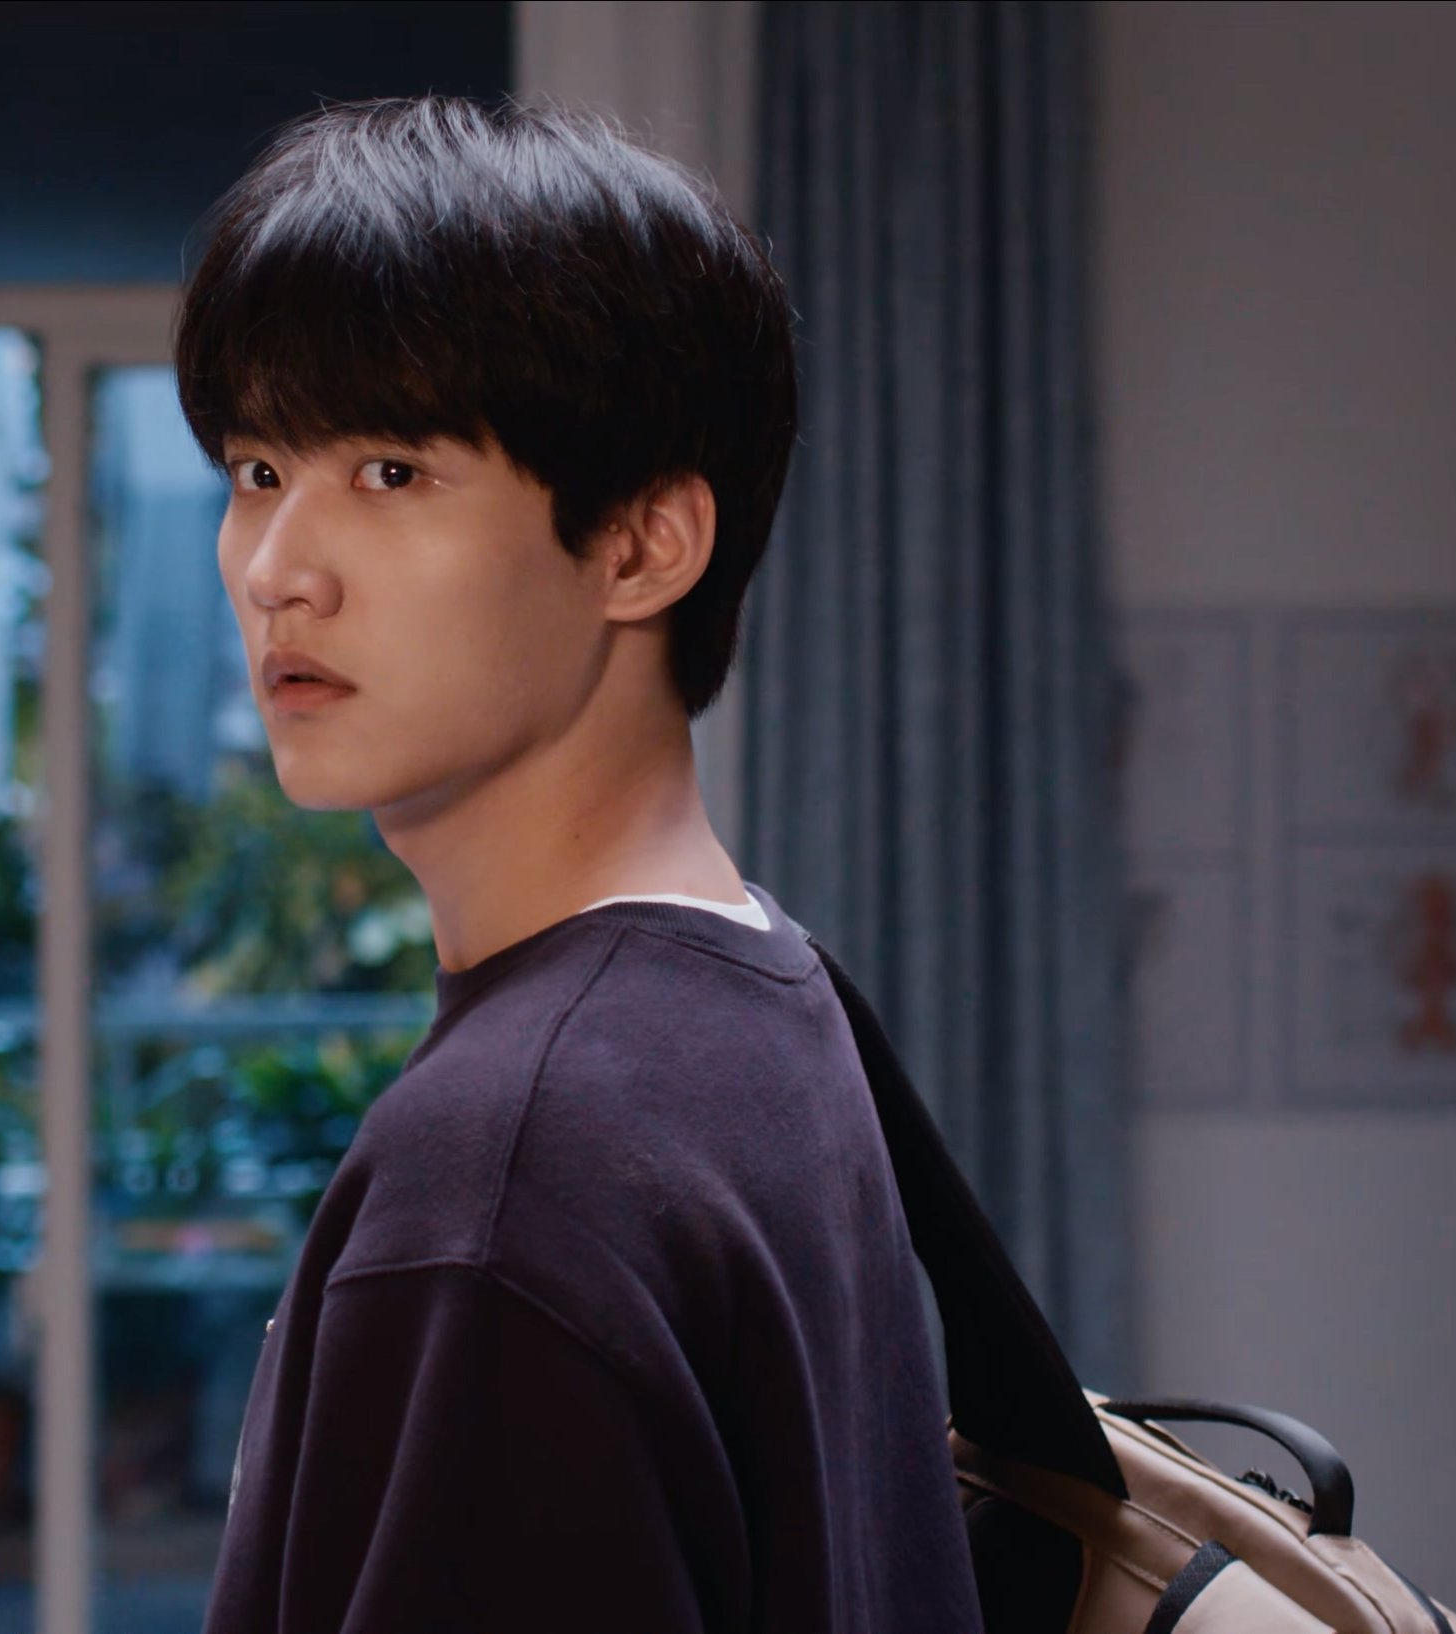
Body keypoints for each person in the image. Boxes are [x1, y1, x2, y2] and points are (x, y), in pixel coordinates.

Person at [179, 97, 985, 1633]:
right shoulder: (765, 995)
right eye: (259, 469)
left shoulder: (508, 1165)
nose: (277, 570)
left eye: (390, 471)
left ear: (639, 545)